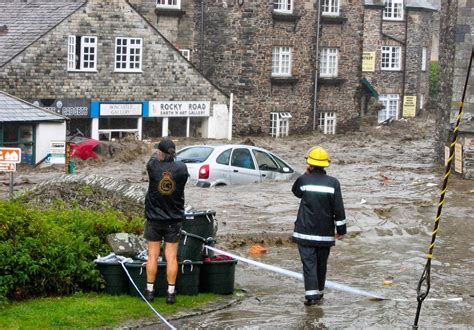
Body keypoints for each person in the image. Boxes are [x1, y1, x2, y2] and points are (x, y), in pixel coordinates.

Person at [291, 146, 346, 306]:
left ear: (309, 164)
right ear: (325, 164)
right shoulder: (333, 183)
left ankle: (311, 297)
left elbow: (296, 192)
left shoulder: (304, 180)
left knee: (309, 264)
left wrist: (305, 174)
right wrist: (341, 230)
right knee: (321, 265)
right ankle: (319, 294)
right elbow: (338, 209)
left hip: (304, 233)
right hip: (324, 235)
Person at [144, 138, 189, 304]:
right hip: (173, 220)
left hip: (154, 219)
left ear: (160, 153)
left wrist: (157, 154)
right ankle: (170, 293)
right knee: (171, 257)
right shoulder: (181, 169)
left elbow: (152, 159)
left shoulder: (153, 166)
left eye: (158, 151)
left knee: (152, 255)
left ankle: (150, 291)